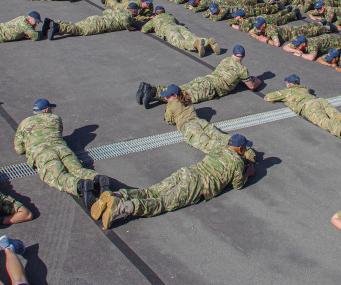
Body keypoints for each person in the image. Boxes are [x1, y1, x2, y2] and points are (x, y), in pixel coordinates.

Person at [90, 133, 256, 229]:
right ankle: (123, 207)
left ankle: (116, 195)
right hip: (196, 185)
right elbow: (238, 184)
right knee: (162, 203)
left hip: (187, 172)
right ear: (241, 149)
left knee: (151, 191)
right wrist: (248, 172)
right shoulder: (237, 163)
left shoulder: (219, 147)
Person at [14, 99, 108, 209]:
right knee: (77, 170)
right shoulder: (56, 119)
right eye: (51, 109)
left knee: (57, 177)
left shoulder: (24, 123)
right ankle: (97, 178)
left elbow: (19, 149)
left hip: (43, 153)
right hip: (62, 149)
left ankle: (79, 185)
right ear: (47, 110)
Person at [264, 75, 341, 146]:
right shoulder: (305, 89)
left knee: (323, 121)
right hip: (320, 101)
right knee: (339, 117)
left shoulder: (286, 91)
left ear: (289, 83)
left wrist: (285, 99)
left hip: (307, 106)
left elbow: (268, 97)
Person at [137, 45, 261, 108]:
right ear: (243, 56)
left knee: (179, 89)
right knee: (182, 98)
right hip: (211, 89)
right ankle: (154, 93)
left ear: (233, 53)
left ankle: (150, 87)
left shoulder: (226, 60)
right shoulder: (242, 70)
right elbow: (251, 86)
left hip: (205, 80)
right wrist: (258, 82)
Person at [161, 84, 257, 163]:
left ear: (175, 96)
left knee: (206, 144)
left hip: (188, 126)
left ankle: (234, 154)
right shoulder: (187, 98)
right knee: (220, 136)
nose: (166, 98)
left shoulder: (171, 104)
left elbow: (170, 120)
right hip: (200, 121)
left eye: (168, 96)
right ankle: (246, 150)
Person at [141, 7, 220, 56]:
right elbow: (178, 22)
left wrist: (154, 23)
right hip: (178, 27)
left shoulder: (155, 19)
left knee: (179, 42)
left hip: (168, 30)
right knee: (191, 36)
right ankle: (207, 41)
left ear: (156, 14)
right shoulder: (170, 16)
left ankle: (195, 44)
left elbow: (144, 29)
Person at [43, 4, 139, 40]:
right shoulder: (129, 15)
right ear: (133, 10)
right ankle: (58, 28)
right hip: (101, 25)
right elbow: (125, 21)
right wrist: (129, 27)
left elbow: (105, 11)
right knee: (80, 30)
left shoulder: (119, 10)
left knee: (76, 24)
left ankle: (52, 22)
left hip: (97, 18)